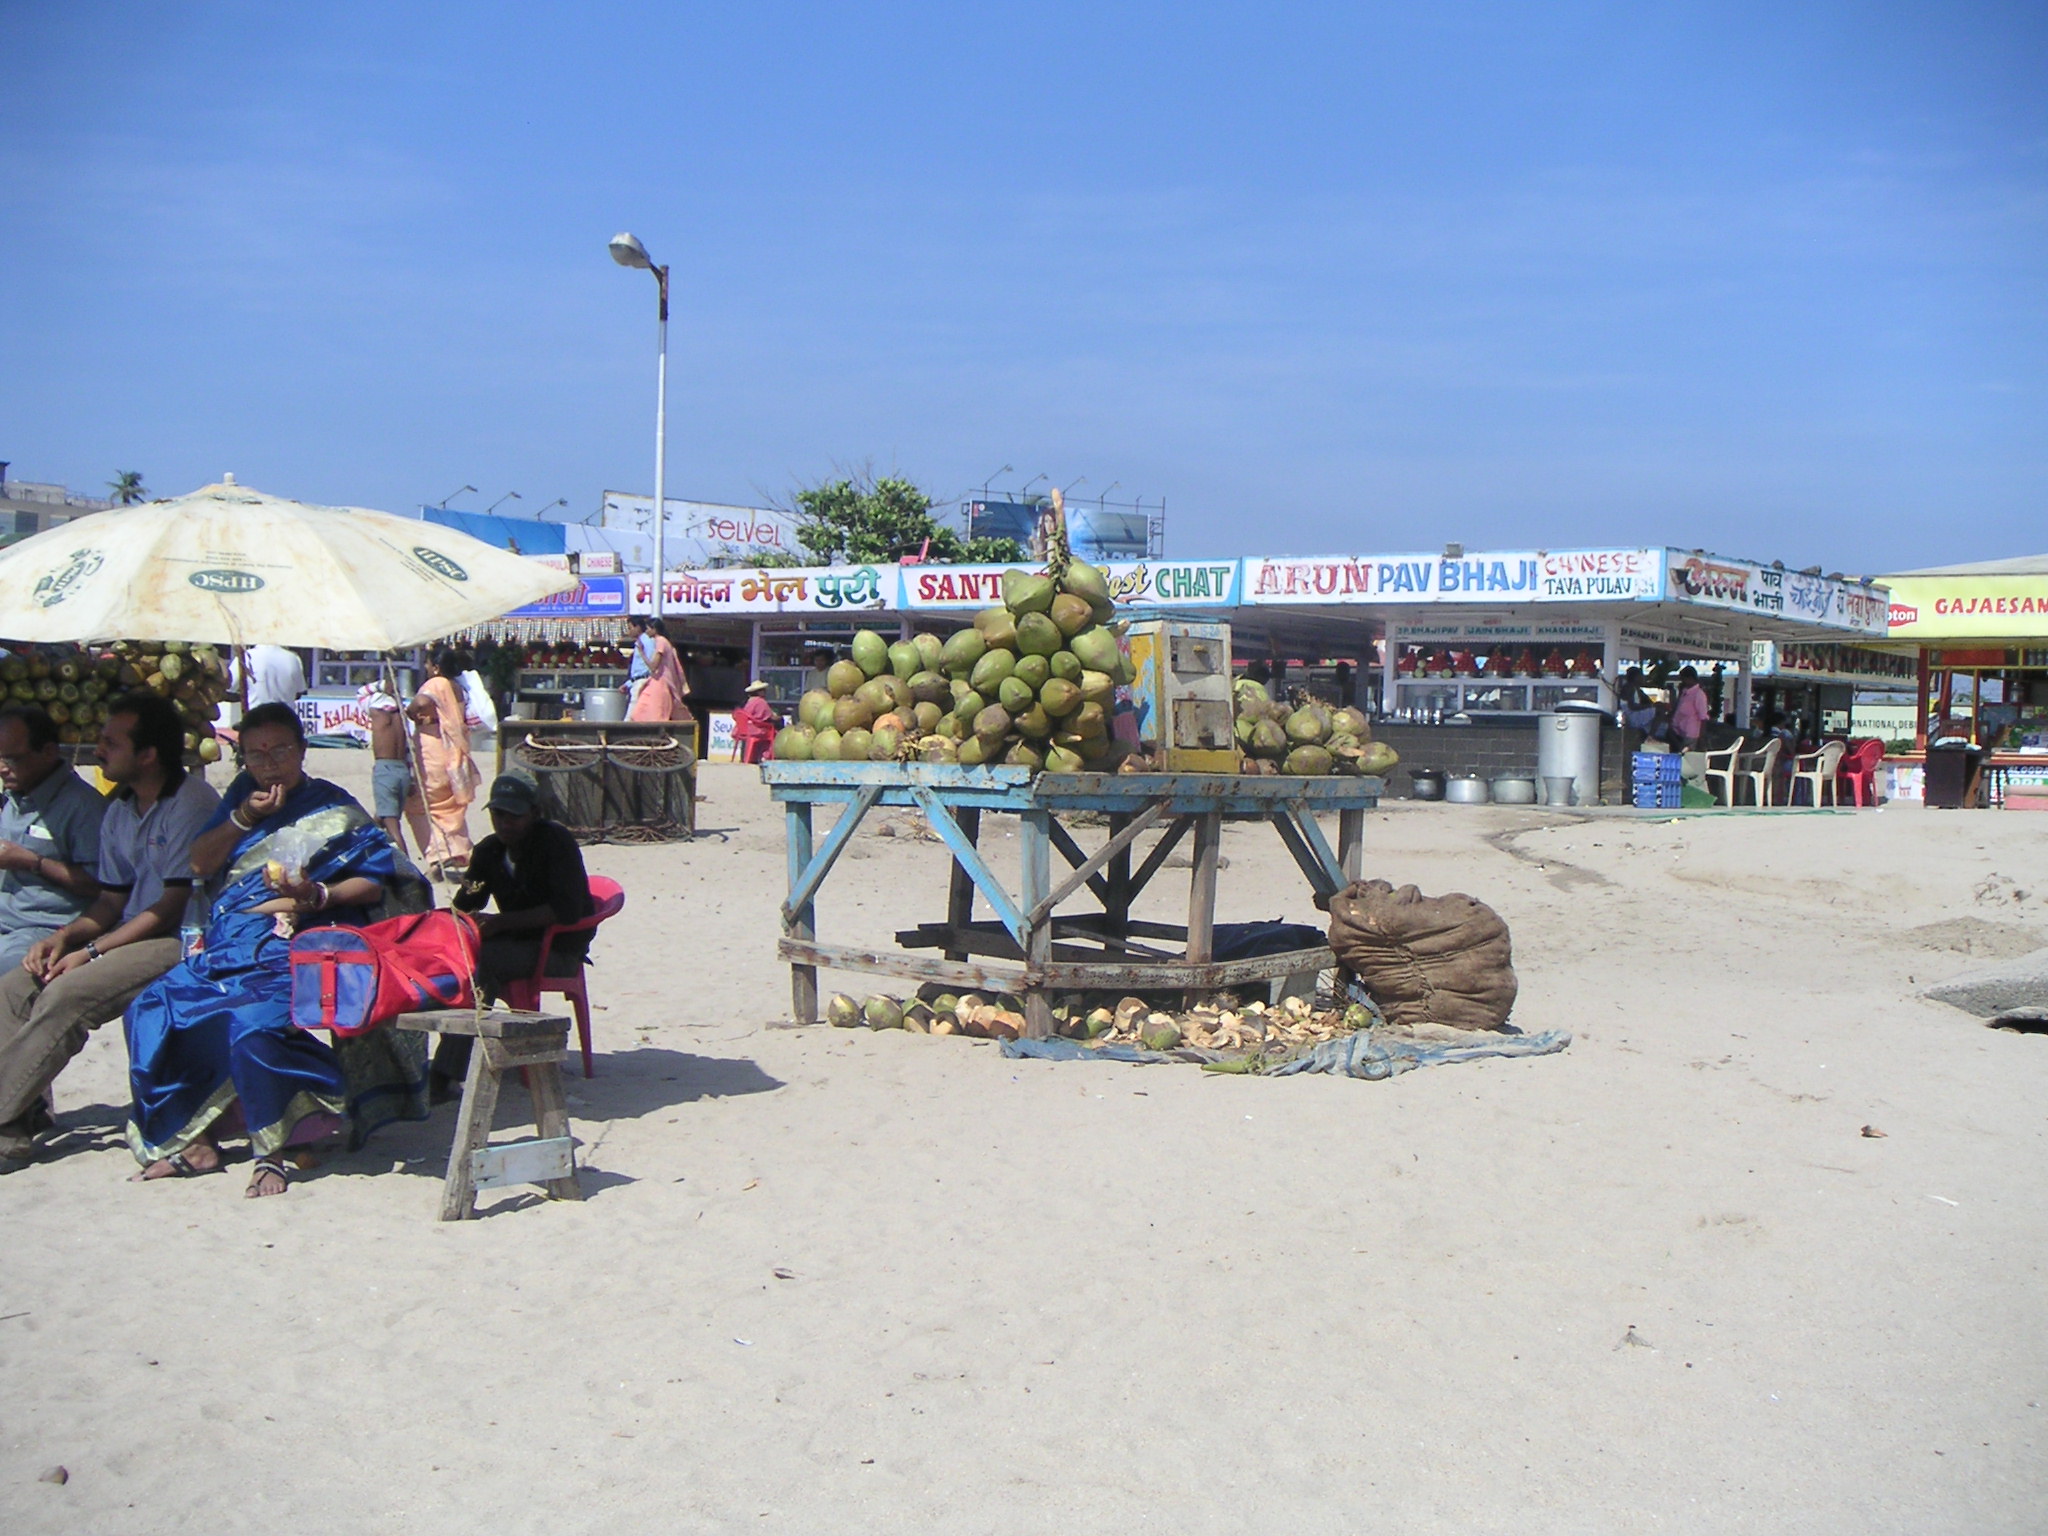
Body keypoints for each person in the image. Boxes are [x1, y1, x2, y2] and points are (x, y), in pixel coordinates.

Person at [123, 703, 428, 1197]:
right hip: (227, 946)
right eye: (254, 753)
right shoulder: (241, 800)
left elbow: (375, 883)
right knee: (150, 1009)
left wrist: (317, 896)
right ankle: (196, 1140)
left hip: (295, 946)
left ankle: (274, 1151)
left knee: (253, 1027)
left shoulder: (334, 807)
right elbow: (199, 861)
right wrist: (245, 816)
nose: (268, 762)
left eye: (280, 749)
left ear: (303, 751)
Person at [0, 693, 219, 1161]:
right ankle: (14, 1124)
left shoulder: (189, 803)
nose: (98, 751)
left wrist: (92, 953)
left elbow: (169, 906)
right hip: (130, 930)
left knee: (67, 996)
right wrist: (63, 938)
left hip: (182, 938)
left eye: (109, 742)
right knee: (19, 984)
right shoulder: (120, 807)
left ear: (147, 755)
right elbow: (109, 900)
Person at [429, 773, 593, 1099]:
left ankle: (446, 1073)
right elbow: (467, 902)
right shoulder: (489, 851)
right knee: (454, 962)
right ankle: (453, 1064)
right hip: (514, 945)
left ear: (534, 813)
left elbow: (567, 911)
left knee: (482, 966)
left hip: (557, 951)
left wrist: (502, 923)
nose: (505, 824)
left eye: (513, 816)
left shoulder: (555, 843)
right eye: (498, 815)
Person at [0, 704, 106, 976]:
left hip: (45, 929)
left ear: (47, 752)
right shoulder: (14, 797)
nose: (2, 769)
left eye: (11, 760)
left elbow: (101, 887)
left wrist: (33, 862)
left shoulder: (82, 807)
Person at [405, 647, 477, 880]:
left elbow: (420, 702)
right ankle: (454, 852)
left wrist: (412, 712)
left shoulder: (436, 684)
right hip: (453, 752)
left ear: (436, 667)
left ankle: (437, 855)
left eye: (427, 664)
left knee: (422, 804)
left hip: (434, 752)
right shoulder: (458, 687)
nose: (425, 668)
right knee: (449, 805)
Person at [358, 677, 414, 857]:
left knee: (393, 828)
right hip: (403, 770)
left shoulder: (376, 712)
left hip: (385, 768)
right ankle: (364, 851)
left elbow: (360, 692)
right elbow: (409, 749)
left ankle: (407, 868)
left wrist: (382, 685)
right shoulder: (402, 717)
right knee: (383, 817)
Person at [627, 616, 689, 721]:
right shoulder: (661, 641)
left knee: (646, 713)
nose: (646, 631)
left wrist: (642, 653)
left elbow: (653, 666)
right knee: (641, 712)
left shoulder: (660, 641)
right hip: (657, 681)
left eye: (647, 629)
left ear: (654, 629)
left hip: (659, 683)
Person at [233, 644, 308, 709]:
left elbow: (229, 687)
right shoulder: (293, 658)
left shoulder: (246, 657)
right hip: (286, 718)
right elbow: (299, 692)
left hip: (256, 717)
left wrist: (248, 696)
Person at [731, 680, 780, 762]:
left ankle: (756, 757)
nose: (765, 692)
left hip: (745, 729)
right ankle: (766, 756)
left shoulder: (749, 702)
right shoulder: (761, 702)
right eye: (763, 690)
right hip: (756, 730)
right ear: (759, 692)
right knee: (775, 734)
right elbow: (769, 716)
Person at [1669, 666, 1712, 753]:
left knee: (1686, 758)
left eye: (1683, 679)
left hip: (1691, 733)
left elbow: (1703, 718)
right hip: (1679, 732)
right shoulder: (1685, 692)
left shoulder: (1699, 694)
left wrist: (1701, 737)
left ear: (1690, 678)